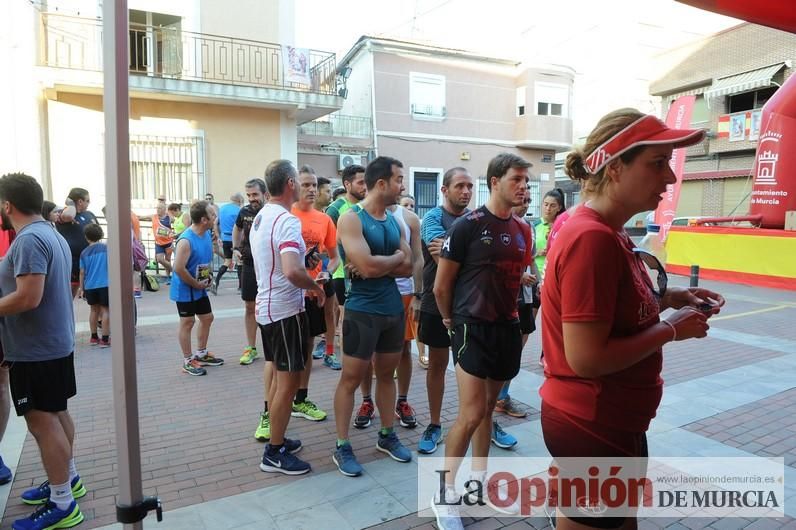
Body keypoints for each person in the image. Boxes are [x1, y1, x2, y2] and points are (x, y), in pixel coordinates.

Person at [541, 109, 725, 529]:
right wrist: (671, 329)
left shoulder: (609, 231)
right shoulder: (592, 238)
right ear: (616, 166)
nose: (670, 179)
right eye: (657, 164)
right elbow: (586, 357)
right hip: (592, 423)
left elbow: (610, 313)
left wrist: (668, 298)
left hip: (611, 420)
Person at [431, 153, 533, 528]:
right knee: (471, 412)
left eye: (526, 180)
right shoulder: (468, 226)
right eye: (516, 179)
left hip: (506, 327)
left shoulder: (524, 230)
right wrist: (449, 320)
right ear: (495, 182)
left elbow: (516, 275)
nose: (523, 187)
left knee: (489, 409)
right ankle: (443, 494)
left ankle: (478, 480)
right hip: (469, 327)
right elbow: (442, 285)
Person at [0, 173, 86, 530]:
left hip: (36, 349)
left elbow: (28, 297)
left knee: (42, 422)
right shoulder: (48, 232)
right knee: (56, 413)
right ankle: (67, 480)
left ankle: (63, 502)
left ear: (7, 206)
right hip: (50, 344)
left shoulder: (29, 240)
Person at [332, 156, 413, 478]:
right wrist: (391, 259)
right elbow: (365, 267)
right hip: (361, 311)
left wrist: (384, 261)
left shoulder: (393, 220)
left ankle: (386, 435)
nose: (403, 185)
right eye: (399, 179)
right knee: (351, 378)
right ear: (382, 184)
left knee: (387, 375)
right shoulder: (351, 219)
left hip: (392, 310)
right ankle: (342, 445)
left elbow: (410, 265)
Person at [250, 159, 325, 476]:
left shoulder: (262, 216)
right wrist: (316, 288)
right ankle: (274, 452)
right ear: (291, 184)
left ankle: (277, 438)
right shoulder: (286, 220)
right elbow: (293, 270)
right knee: (288, 383)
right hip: (283, 310)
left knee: (282, 379)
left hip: (268, 307)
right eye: (300, 181)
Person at [416, 167, 473, 455]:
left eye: (469, 187)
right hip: (435, 303)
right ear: (445, 190)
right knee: (438, 365)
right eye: (460, 186)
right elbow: (443, 261)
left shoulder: (475, 219)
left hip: (470, 307)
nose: (465, 192)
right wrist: (474, 258)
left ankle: (475, 421)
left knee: (472, 368)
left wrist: (460, 254)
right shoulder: (433, 218)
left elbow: (456, 258)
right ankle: (435, 424)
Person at [353, 199, 422, 430]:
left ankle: (402, 401)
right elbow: (359, 260)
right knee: (367, 354)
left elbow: (416, 260)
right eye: (397, 181)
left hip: (403, 293)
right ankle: (366, 401)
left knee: (403, 350)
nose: (400, 187)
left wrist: (417, 295)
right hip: (371, 295)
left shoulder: (409, 218)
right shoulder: (361, 216)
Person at [289, 168, 339, 424]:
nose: (311, 189)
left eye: (314, 185)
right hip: (287, 296)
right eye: (306, 184)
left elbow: (334, 256)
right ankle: (272, 407)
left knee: (307, 346)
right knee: (283, 354)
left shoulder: (324, 219)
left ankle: (301, 398)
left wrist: (327, 274)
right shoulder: (286, 215)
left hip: (312, 294)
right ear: (294, 186)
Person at [493, 190, 539, 426]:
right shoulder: (499, 226)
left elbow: (530, 261)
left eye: (529, 201)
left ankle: (503, 395)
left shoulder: (527, 227)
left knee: (517, 350)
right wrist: (520, 278)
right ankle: (496, 399)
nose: (525, 204)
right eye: (522, 199)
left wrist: (536, 285)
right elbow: (493, 266)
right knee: (503, 351)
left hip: (526, 297)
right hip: (505, 300)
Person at [170, 200, 224, 376]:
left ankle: (201, 354)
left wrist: (230, 257)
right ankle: (187, 360)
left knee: (207, 318)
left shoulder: (207, 234)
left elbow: (211, 254)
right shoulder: (186, 240)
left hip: (199, 286)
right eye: (212, 214)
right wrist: (195, 283)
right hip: (185, 288)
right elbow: (178, 268)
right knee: (188, 322)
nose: (215, 217)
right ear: (203, 219)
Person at [325, 164, 367, 324]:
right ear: (347, 184)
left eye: (366, 182)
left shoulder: (367, 207)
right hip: (343, 274)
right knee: (346, 321)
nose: (365, 187)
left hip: (365, 271)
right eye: (360, 182)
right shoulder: (336, 209)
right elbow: (327, 243)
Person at [533, 188, 565, 365]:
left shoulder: (563, 226)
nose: (548, 208)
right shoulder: (534, 225)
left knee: (550, 321)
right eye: (545, 204)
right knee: (528, 323)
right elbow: (527, 252)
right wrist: (537, 252)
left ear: (559, 208)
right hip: (535, 278)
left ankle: (546, 355)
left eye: (552, 206)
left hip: (552, 280)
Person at [55, 187, 98, 299]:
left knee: (97, 297)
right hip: (73, 261)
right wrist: (71, 204)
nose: (89, 203)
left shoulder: (89, 214)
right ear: (79, 201)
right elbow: (68, 216)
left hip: (91, 260)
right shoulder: (66, 213)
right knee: (69, 295)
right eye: (87, 200)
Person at [78, 224, 110, 348]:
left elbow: (82, 272)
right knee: (106, 310)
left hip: (90, 285)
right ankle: (105, 339)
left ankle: (94, 337)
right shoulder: (106, 249)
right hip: (105, 284)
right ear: (101, 235)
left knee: (93, 310)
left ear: (86, 237)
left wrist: (82, 288)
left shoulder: (84, 253)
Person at [211, 192, 244, 294]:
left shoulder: (222, 209)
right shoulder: (239, 210)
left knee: (227, 261)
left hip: (225, 238)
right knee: (239, 262)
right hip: (236, 239)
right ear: (239, 201)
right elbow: (241, 227)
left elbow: (215, 223)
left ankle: (216, 282)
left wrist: (218, 236)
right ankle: (241, 287)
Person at [152, 203, 174, 283]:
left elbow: (175, 219)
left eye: (160, 208)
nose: (158, 209)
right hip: (159, 243)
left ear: (164, 209)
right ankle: (174, 271)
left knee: (167, 260)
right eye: (157, 208)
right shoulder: (154, 217)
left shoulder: (168, 217)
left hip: (168, 242)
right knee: (160, 259)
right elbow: (141, 217)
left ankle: (168, 278)